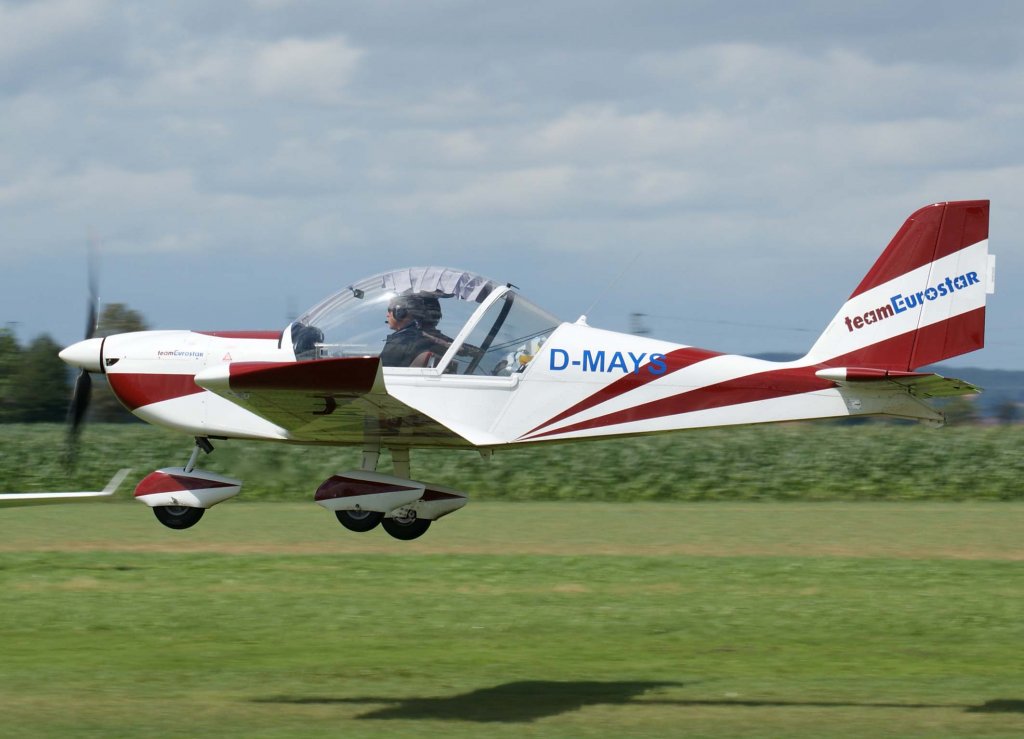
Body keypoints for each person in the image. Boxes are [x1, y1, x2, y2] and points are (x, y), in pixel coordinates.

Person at [380, 294, 449, 367]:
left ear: (400, 313)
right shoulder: (441, 342)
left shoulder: (401, 343)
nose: (387, 315)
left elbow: (378, 373)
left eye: (389, 310)